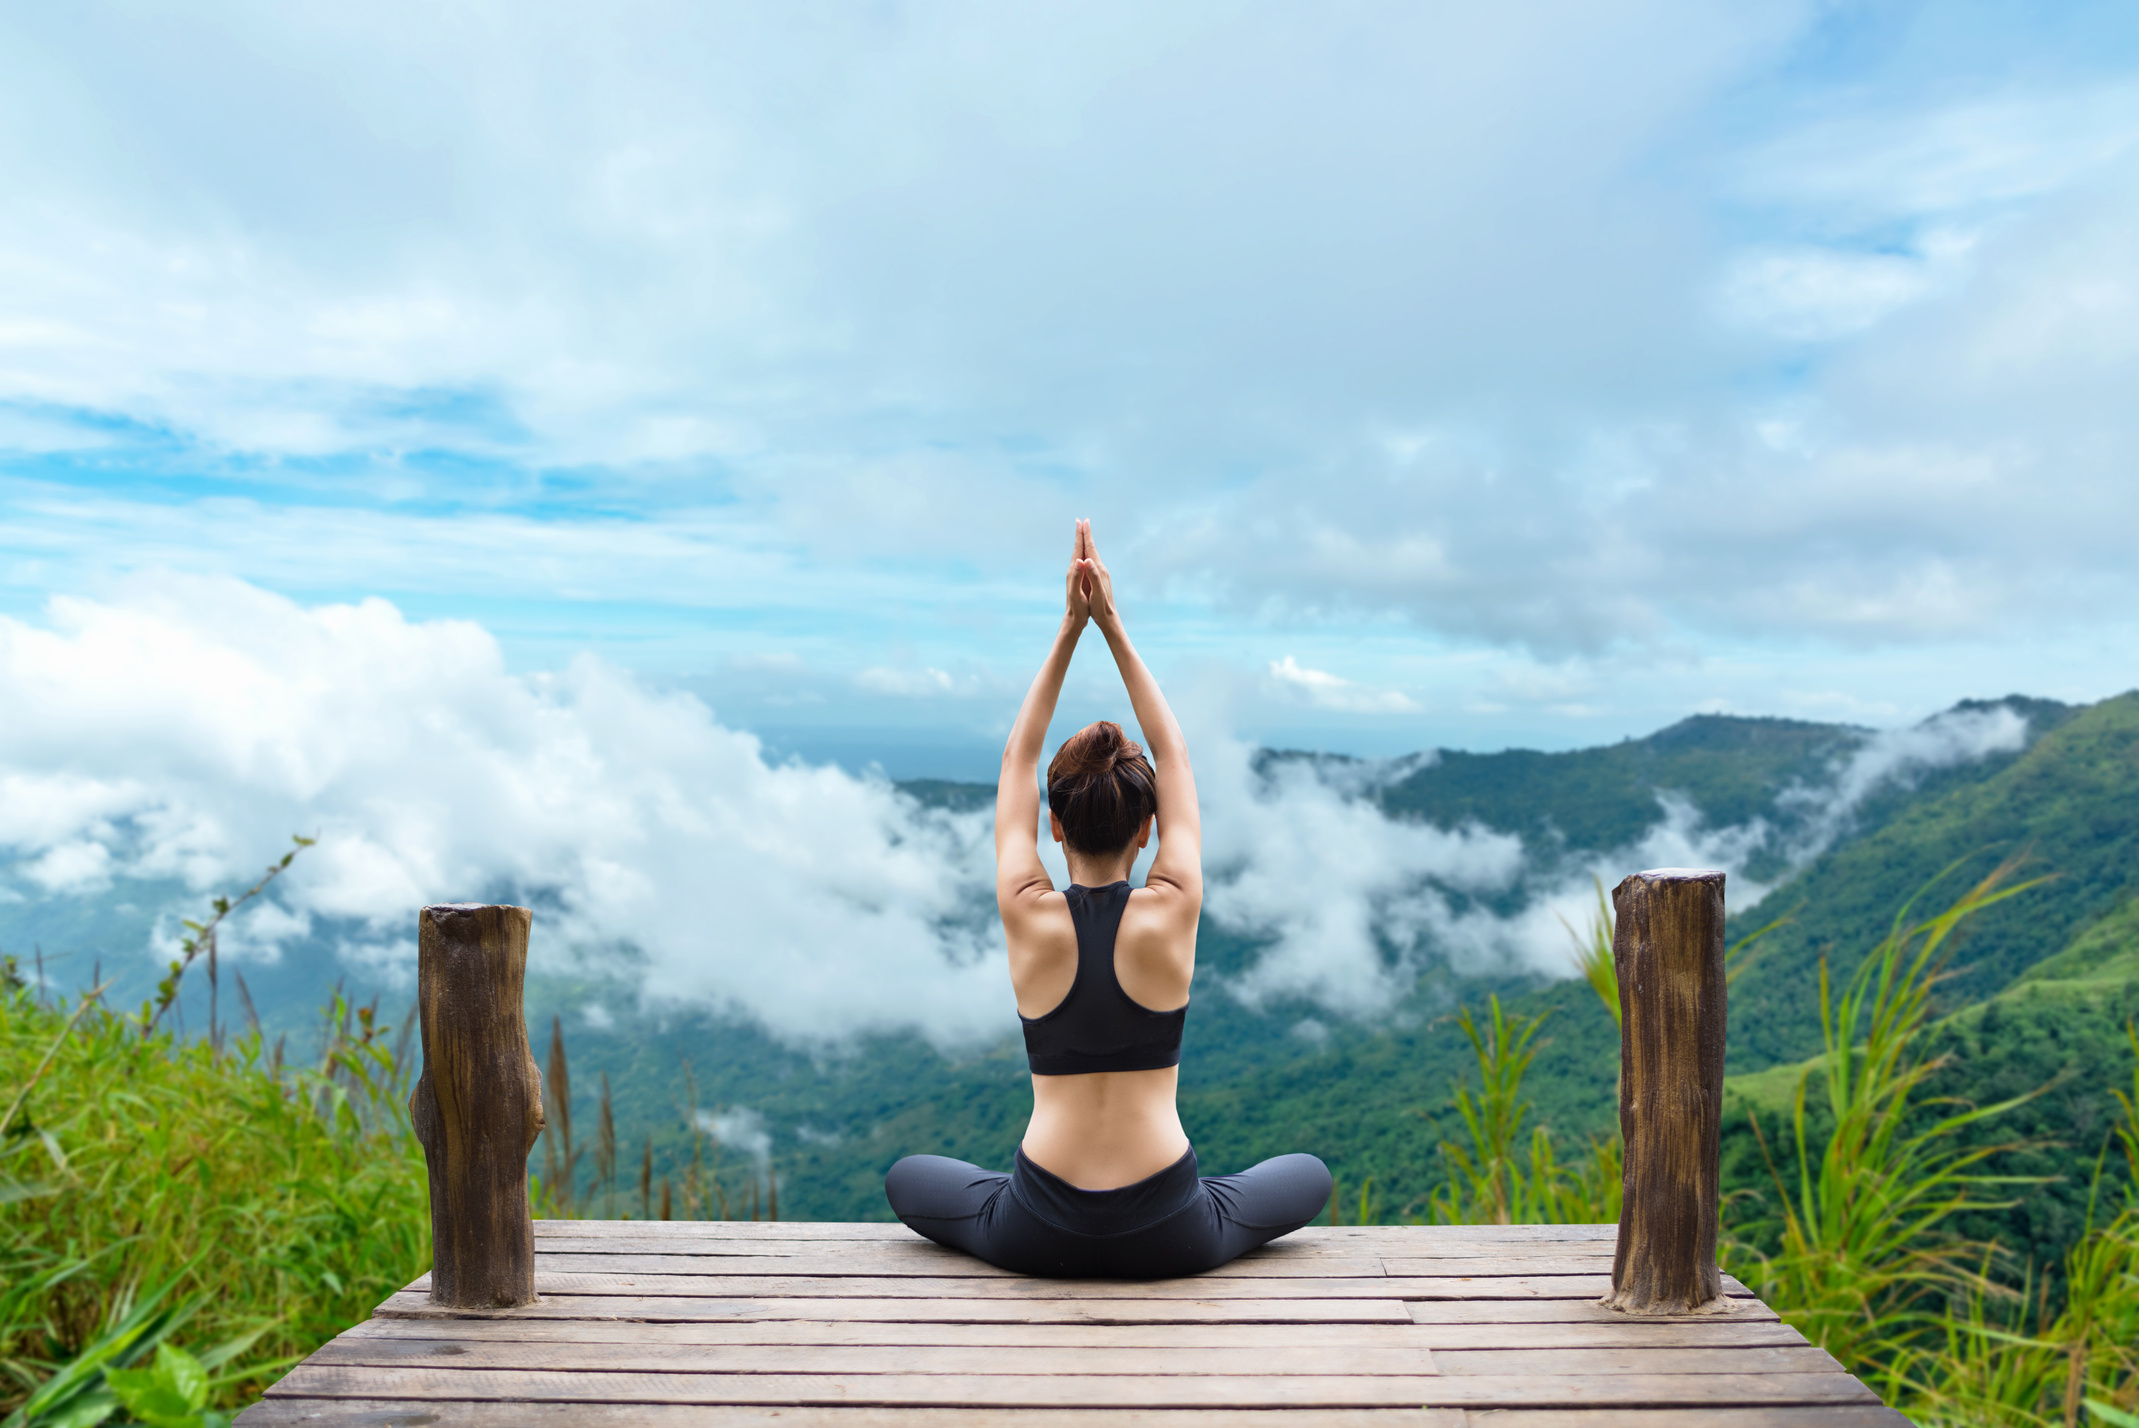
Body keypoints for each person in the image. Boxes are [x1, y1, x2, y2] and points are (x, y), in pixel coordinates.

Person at [884, 519, 1331, 1278]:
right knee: (1307, 1174)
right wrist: (1111, 624)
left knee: (909, 1176)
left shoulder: (1027, 910)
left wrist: (1069, 627)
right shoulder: (1173, 904)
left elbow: (1015, 756)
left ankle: (1016, 1199)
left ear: (1053, 826)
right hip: (1171, 1231)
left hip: (1035, 1228)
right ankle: (1207, 1201)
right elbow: (1175, 754)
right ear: (1150, 828)